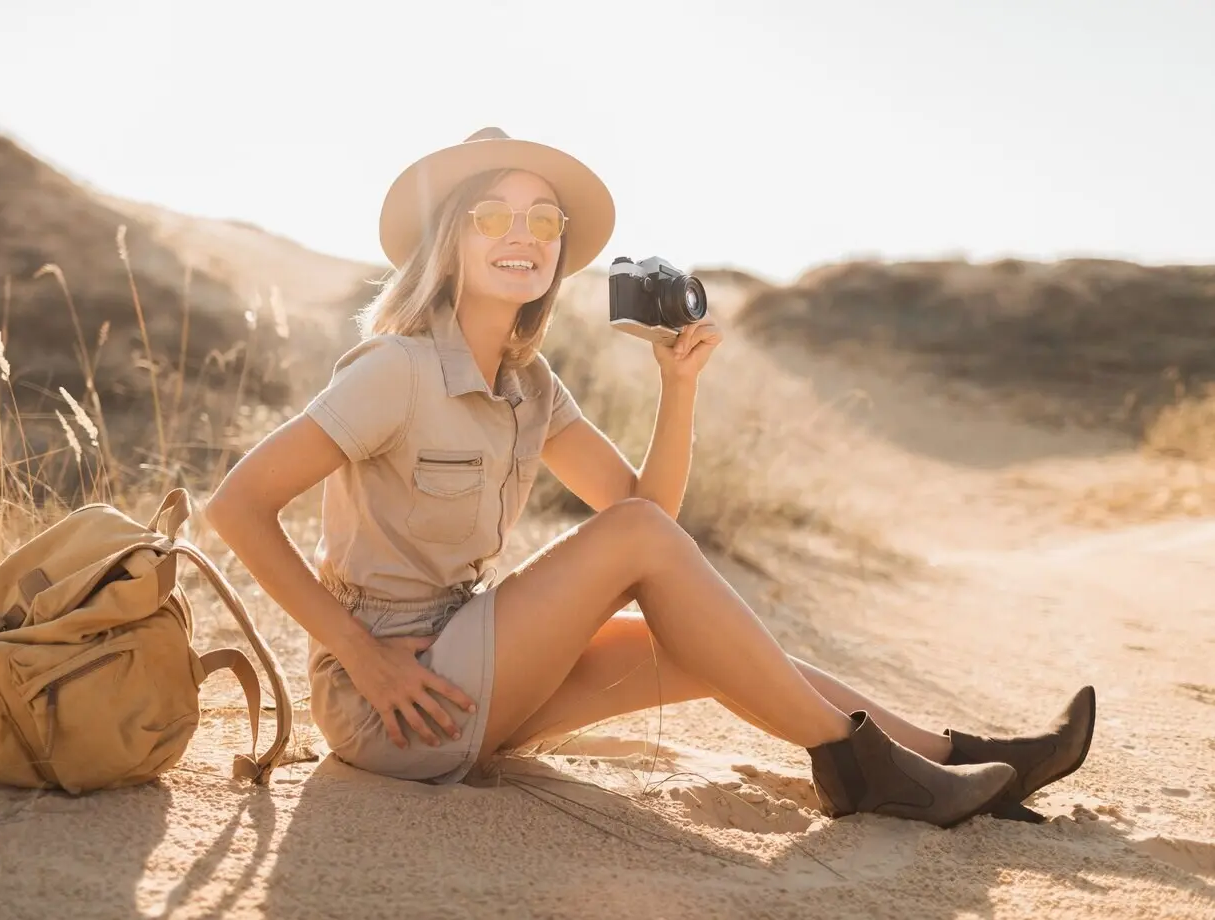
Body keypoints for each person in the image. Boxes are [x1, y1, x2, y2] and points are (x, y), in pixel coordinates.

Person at [204, 127, 1096, 828]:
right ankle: (862, 772)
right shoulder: (395, 370)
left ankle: (964, 755)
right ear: (451, 239)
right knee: (648, 561)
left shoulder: (530, 386)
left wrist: (678, 388)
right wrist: (362, 658)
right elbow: (236, 506)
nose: (524, 236)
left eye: (544, 220)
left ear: (558, 251)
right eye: (493, 216)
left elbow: (648, 522)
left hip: (469, 663)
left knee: (710, 645)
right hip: (391, 702)